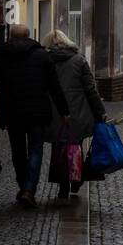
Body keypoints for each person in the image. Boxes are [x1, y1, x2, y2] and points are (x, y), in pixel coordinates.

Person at [0, 23, 70, 208]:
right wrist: (64, 111)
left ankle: (24, 186)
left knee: (18, 151)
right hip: (38, 112)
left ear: (10, 37)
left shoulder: (2, 54)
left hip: (12, 112)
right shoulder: (42, 55)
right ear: (28, 36)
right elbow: (54, 86)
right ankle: (29, 189)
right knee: (35, 150)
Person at [43, 29, 107, 201]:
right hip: (78, 111)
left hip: (54, 112)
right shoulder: (79, 60)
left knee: (59, 148)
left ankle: (63, 185)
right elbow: (90, 89)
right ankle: (76, 178)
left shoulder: (45, 61)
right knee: (75, 146)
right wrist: (100, 111)